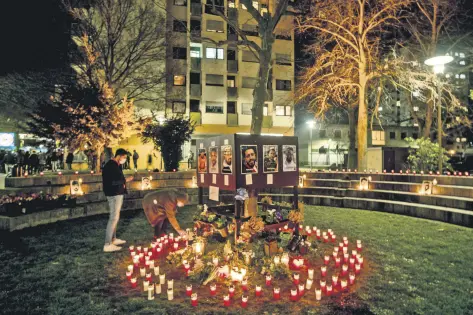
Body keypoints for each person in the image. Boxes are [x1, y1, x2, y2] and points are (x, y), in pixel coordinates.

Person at [102, 148, 134, 252]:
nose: (124, 159)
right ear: (119, 156)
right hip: (114, 194)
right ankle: (107, 244)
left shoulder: (117, 165)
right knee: (113, 217)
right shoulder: (110, 166)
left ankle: (113, 239)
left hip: (117, 193)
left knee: (115, 217)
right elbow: (111, 182)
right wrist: (126, 180)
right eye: (124, 157)